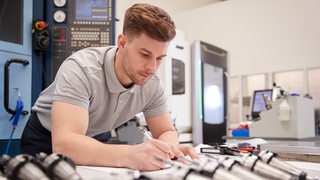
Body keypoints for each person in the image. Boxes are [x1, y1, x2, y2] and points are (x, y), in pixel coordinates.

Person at [21, 3, 198, 170]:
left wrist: (169, 148)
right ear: (122, 43)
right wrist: (131, 155)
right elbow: (65, 145)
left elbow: (165, 130)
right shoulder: (81, 69)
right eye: (145, 54)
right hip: (47, 138)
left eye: (160, 58)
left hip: (95, 137)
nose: (152, 68)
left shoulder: (152, 83)